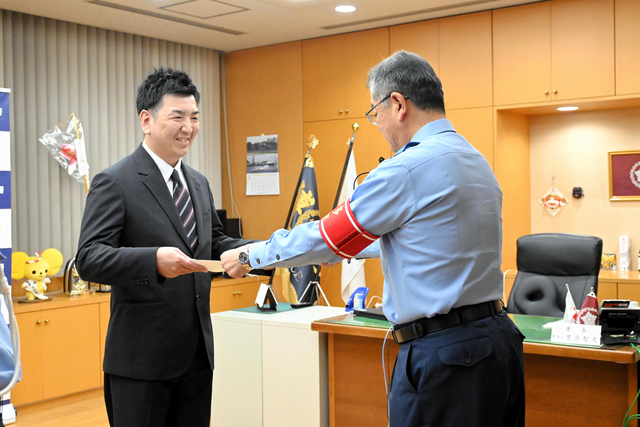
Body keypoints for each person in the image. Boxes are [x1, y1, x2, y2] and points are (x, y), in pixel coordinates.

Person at [221, 51, 525, 426]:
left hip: (446, 357)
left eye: (374, 113)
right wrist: (343, 249)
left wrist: (253, 255)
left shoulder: (407, 168)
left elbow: (327, 236)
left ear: (397, 104)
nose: (377, 125)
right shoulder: (474, 159)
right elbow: (425, 238)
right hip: (499, 344)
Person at [76, 67, 252, 427]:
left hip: (197, 358)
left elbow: (214, 243)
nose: (188, 127)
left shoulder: (198, 183)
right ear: (147, 120)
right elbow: (89, 257)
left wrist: (271, 249)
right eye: (177, 116)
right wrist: (152, 261)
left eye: (194, 117)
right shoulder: (115, 181)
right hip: (141, 362)